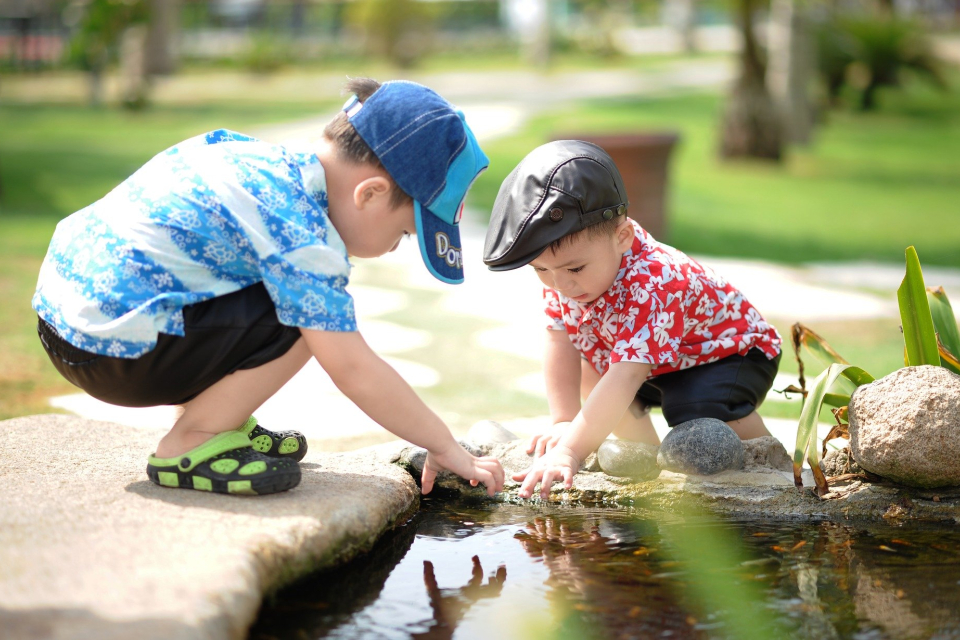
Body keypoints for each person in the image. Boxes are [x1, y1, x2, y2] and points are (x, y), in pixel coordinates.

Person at [33, 78, 505, 497]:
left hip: (68, 321)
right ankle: (192, 441)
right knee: (311, 320)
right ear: (371, 194)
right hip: (112, 352)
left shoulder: (257, 160)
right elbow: (352, 368)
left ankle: (221, 420)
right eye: (404, 234)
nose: (392, 248)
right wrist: (443, 445)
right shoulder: (301, 231)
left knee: (286, 294)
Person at [482, 140, 781, 499]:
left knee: (693, 408)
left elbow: (627, 374)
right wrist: (564, 420)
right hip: (657, 362)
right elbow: (559, 340)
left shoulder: (655, 280)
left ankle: (771, 465)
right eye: (541, 270)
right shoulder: (565, 277)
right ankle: (647, 464)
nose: (561, 284)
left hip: (730, 355)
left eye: (575, 267)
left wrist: (569, 451)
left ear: (622, 237)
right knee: (593, 368)